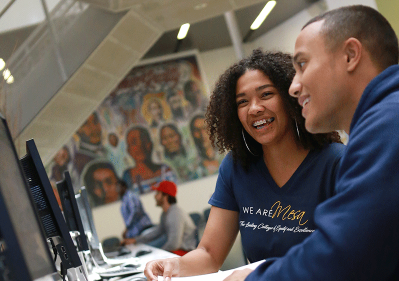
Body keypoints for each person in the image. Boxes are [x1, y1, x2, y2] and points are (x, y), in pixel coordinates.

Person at [226, 5, 399, 281]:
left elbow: (341, 259)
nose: (294, 86)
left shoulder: (398, 123)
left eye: (303, 64)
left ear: (350, 55)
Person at [143, 49, 345, 280]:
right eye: (242, 102)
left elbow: (347, 254)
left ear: (291, 98)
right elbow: (209, 253)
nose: (254, 108)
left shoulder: (337, 162)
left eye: (266, 94)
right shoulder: (236, 167)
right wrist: (173, 266)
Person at [122, 180, 197, 256]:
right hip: (176, 251)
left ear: (165, 196)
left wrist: (156, 254)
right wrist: (135, 240)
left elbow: (174, 244)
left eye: (157, 193)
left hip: (184, 253)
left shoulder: (175, 214)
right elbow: (157, 232)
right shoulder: (166, 214)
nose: (155, 196)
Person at [122, 125, 177, 193]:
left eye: (143, 140)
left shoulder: (165, 170)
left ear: (150, 144)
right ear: (128, 150)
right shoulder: (127, 177)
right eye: (134, 142)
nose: (140, 145)